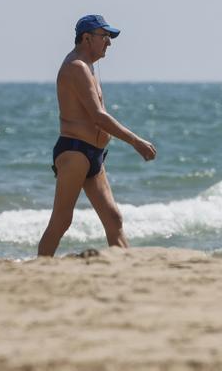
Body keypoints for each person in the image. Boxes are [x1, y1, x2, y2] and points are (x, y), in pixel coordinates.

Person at [38, 14, 157, 257]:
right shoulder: (76, 67)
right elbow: (97, 116)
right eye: (105, 37)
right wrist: (136, 142)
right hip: (75, 152)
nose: (109, 43)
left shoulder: (88, 66)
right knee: (61, 221)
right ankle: (41, 266)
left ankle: (126, 268)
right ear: (86, 38)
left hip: (95, 155)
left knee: (114, 219)